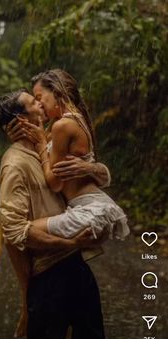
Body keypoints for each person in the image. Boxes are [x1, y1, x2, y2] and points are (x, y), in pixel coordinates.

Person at [0, 89, 107, 339]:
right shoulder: (15, 164)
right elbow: (14, 230)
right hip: (47, 277)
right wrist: (69, 242)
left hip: (73, 266)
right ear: (22, 118)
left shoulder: (47, 146)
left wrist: (94, 169)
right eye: (34, 102)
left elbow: (93, 174)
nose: (41, 105)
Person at [19, 69, 130, 242]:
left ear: (57, 93)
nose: (40, 105)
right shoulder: (73, 120)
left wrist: (41, 143)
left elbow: (55, 184)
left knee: (23, 232)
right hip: (90, 205)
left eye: (40, 98)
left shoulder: (63, 126)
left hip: (89, 209)